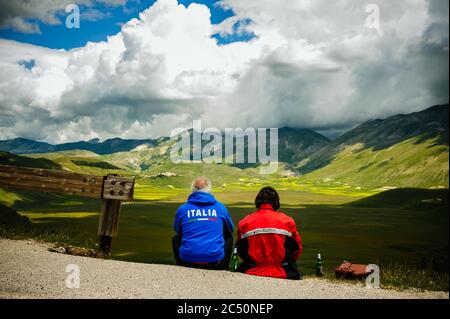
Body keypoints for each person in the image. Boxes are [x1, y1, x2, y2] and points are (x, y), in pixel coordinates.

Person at [236, 186, 302, 279]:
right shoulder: (288, 221)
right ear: (276, 202)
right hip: (282, 270)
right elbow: (297, 249)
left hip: (252, 269)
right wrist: (289, 263)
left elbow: (240, 249)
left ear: (257, 201)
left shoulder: (244, 222)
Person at [172, 177, 234, 270]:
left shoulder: (183, 209)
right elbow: (230, 229)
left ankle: (181, 266)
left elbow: (177, 229)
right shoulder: (220, 207)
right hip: (215, 261)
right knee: (229, 237)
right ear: (209, 189)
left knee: (176, 237)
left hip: (187, 260)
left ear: (193, 190)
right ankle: (224, 267)